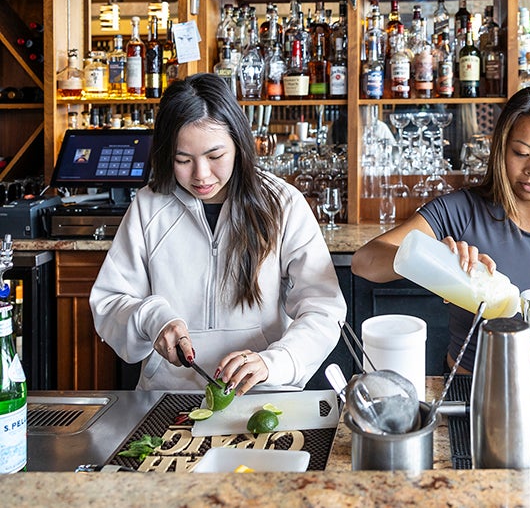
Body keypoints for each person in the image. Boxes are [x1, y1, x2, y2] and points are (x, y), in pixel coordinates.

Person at [90, 73, 346, 393]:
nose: (201, 175)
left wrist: (276, 361)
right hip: (169, 396)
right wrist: (153, 319)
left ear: (238, 145)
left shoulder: (282, 204)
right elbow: (109, 302)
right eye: (183, 160)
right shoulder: (148, 206)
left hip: (262, 395)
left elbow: (324, 307)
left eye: (215, 156)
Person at [352, 86, 530, 372]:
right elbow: (364, 261)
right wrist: (433, 257)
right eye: (520, 153)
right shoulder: (460, 211)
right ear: (501, 148)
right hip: (469, 392)